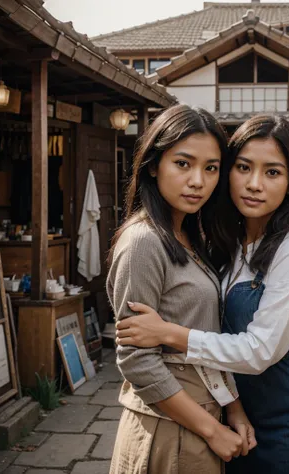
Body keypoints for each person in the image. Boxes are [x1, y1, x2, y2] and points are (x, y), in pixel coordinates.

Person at [116, 115, 289, 474]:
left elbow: (260, 350)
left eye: (272, 172)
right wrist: (232, 409)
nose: (254, 184)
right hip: (230, 416)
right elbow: (140, 353)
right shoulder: (221, 244)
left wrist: (169, 333)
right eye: (243, 167)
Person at [107, 104, 256, 474]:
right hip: (170, 427)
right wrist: (212, 431)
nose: (198, 181)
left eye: (211, 168)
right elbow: (136, 359)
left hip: (200, 418)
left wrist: (233, 409)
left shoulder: (190, 236)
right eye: (183, 164)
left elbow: (207, 334)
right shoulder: (144, 241)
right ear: (154, 164)